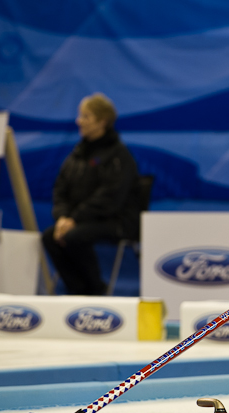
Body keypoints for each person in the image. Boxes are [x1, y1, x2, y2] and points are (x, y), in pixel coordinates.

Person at [42, 93, 139, 295]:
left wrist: (74, 220)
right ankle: (77, 291)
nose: (79, 121)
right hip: (79, 221)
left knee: (75, 236)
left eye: (86, 116)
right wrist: (62, 217)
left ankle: (96, 291)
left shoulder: (119, 156)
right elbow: (60, 190)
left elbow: (109, 199)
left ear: (102, 121)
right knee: (50, 237)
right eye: (80, 115)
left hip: (115, 221)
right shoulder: (77, 155)